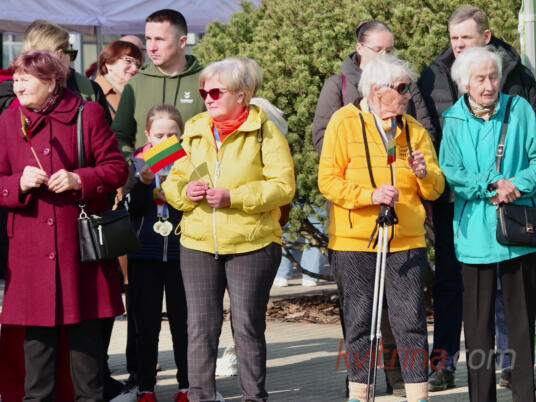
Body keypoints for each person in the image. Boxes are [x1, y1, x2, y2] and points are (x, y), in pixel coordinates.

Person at [417, 5, 536, 391]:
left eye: (493, 77)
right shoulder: (452, 117)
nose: (488, 85)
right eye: (480, 79)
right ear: (464, 83)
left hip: (517, 228)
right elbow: (451, 171)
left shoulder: (520, 108)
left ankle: (523, 389)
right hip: (472, 233)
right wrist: (492, 185)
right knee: (477, 325)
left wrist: (516, 184)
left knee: (521, 324)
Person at [162, 57, 295, 402]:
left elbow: (283, 187)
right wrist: (186, 191)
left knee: (247, 326)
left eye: (216, 92)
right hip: (197, 243)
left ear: (241, 94)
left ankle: (254, 397)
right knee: (200, 328)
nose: (208, 98)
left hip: (252, 242)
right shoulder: (194, 129)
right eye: (203, 92)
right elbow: (173, 180)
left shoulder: (265, 130)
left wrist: (233, 197)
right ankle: (200, 397)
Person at [0, 50, 128, 400]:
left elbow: (117, 169)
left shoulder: (88, 113)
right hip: (29, 256)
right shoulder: (8, 120)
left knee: (87, 366)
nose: (17, 85)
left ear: (51, 81)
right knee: (36, 365)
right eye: (16, 78)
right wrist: (16, 183)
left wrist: (79, 179)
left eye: (26, 79)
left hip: (79, 254)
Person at [318, 54, 444, 402]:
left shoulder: (412, 129)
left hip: (405, 240)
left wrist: (423, 174)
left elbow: (435, 188)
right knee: (359, 321)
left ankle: (418, 394)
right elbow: (327, 181)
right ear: (376, 89)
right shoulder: (344, 122)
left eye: (408, 87)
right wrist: (369, 196)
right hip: (355, 239)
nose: (408, 94)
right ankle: (359, 393)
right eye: (402, 88)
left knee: (410, 321)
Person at [122, 104, 189, 401]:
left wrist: (175, 192)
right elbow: (128, 209)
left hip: (181, 254)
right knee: (145, 326)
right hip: (144, 255)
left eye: (172, 135)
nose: (165, 141)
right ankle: (146, 387)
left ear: (181, 135)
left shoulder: (188, 161)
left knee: (183, 325)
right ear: (148, 134)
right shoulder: (136, 163)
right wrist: (143, 184)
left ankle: (187, 386)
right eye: (159, 135)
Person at [312, 20, 435, 155]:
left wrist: (409, 159)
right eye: (377, 50)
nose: (384, 56)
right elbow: (323, 138)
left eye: (389, 50)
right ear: (359, 48)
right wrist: (366, 160)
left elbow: (425, 131)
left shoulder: (405, 84)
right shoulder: (337, 86)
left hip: (401, 162)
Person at [112, 9, 205, 159]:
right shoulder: (135, 84)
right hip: (144, 173)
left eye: (160, 39)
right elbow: (120, 136)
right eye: (148, 38)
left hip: (194, 172)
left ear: (182, 42)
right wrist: (134, 164)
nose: (151, 47)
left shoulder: (206, 81)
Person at [94, 40, 143, 118]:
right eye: (128, 61)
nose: (135, 69)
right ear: (108, 63)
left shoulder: (139, 92)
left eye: (137, 64)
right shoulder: (93, 92)